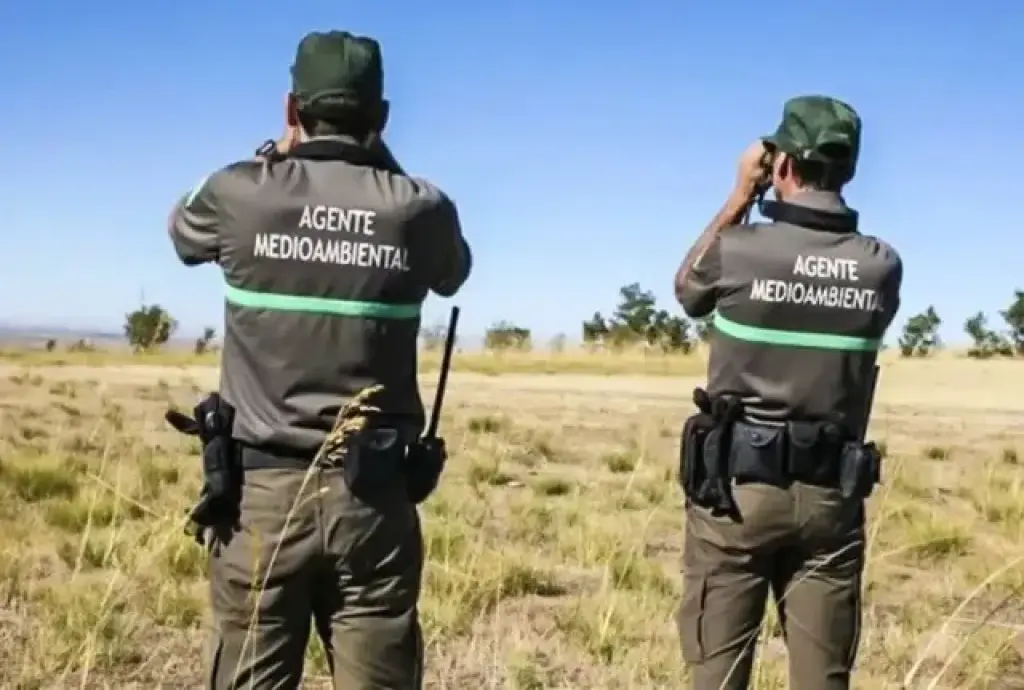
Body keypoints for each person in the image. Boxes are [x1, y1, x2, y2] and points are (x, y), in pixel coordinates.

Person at [166, 30, 472, 690]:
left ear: (291, 108)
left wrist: (280, 150)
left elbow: (180, 230)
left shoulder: (241, 192)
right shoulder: (419, 208)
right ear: (382, 117)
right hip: (375, 502)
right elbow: (456, 272)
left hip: (259, 501)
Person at [672, 95, 903, 690]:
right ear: (848, 168)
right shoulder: (881, 265)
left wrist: (739, 196)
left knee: (716, 675)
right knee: (823, 677)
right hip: (831, 499)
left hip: (736, 496)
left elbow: (687, 289)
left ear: (782, 166)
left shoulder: (740, 249)